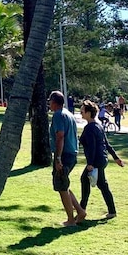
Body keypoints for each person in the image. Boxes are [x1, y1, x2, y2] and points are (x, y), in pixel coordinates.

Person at [78, 101, 123, 220]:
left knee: (85, 180)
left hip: (96, 161)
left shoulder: (90, 128)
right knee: (102, 184)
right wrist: (116, 158)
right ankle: (111, 211)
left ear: (88, 113)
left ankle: (81, 211)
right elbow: (107, 145)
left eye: (82, 110)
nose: (80, 112)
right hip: (102, 159)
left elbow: (92, 146)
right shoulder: (98, 125)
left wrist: (90, 164)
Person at [49, 91, 86, 227]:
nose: (49, 103)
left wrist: (58, 158)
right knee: (64, 185)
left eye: (50, 101)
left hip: (64, 155)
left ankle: (71, 220)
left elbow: (60, 136)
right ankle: (80, 212)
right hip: (72, 154)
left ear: (54, 102)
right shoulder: (68, 114)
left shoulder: (59, 115)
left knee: (62, 187)